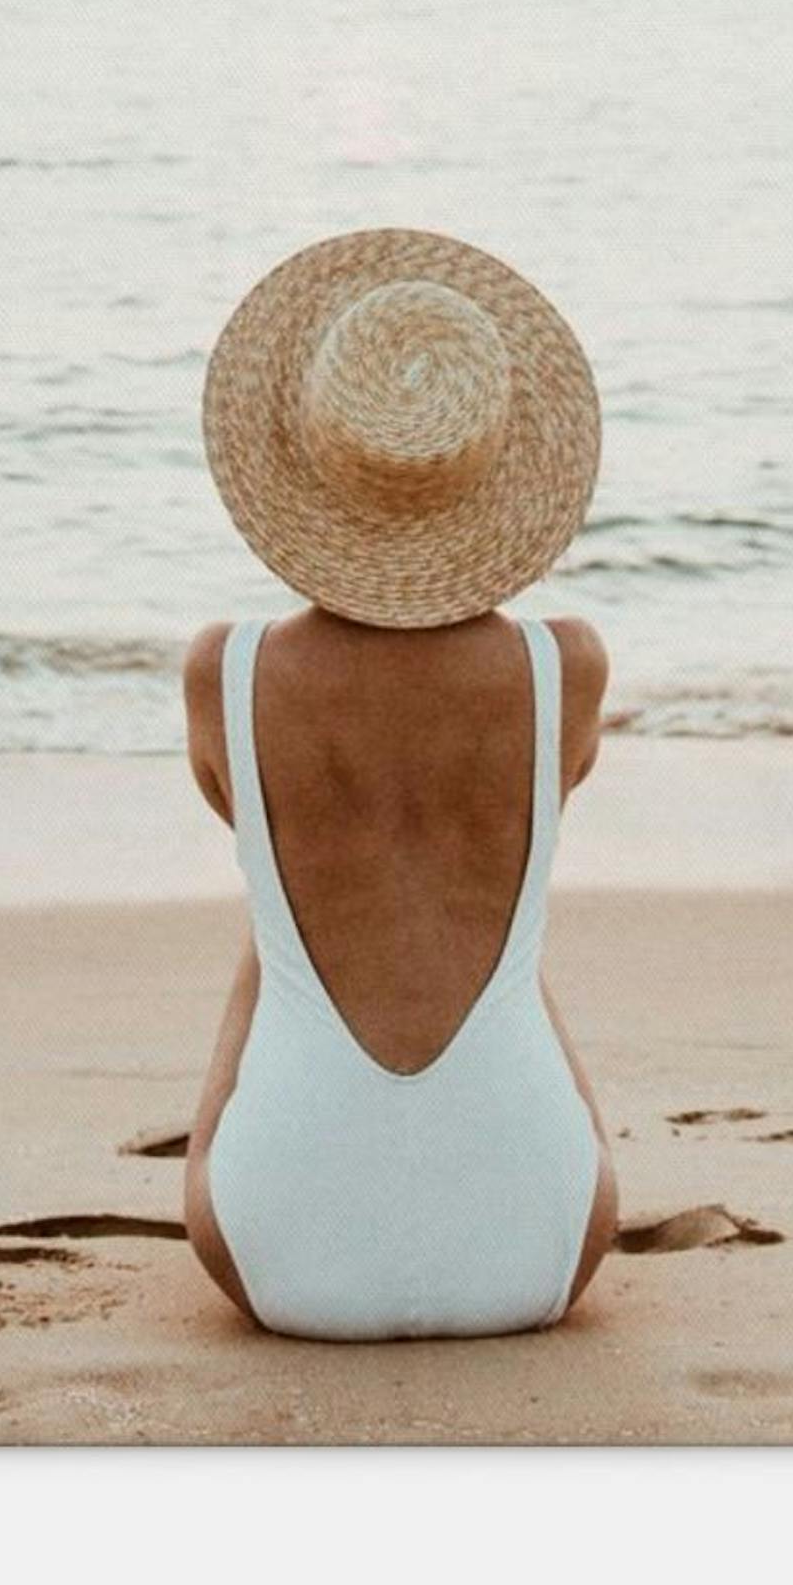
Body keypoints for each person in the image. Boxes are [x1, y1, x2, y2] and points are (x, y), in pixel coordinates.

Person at [179, 228, 621, 1338]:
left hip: (283, 1256)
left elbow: (250, 824)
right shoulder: (564, 667)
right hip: (540, 1242)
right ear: (505, 467)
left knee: (275, 916)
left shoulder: (224, 672)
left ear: (300, 457)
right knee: (508, 937)